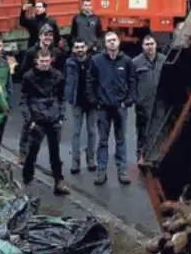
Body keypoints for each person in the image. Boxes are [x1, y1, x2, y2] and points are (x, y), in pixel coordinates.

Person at [87, 31, 137, 185]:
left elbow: (132, 82)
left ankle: (122, 171)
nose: (112, 43)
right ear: (105, 44)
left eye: (114, 40)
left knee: (121, 140)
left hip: (121, 107)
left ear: (119, 42)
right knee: (103, 141)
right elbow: (90, 82)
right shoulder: (96, 61)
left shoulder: (127, 61)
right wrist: (95, 101)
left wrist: (128, 101)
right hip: (103, 108)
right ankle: (101, 172)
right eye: (109, 40)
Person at [19, 50, 70, 195]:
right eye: (42, 61)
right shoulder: (28, 77)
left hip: (53, 118)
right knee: (32, 152)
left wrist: (61, 116)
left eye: (47, 61)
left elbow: (61, 99)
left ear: (51, 60)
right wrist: (30, 120)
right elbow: (24, 100)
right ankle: (27, 179)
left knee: (55, 153)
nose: (45, 64)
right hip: (37, 119)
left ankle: (58, 181)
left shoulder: (58, 76)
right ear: (36, 61)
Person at [64, 39, 97, 174]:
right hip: (77, 101)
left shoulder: (94, 62)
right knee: (76, 132)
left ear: (86, 48)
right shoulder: (69, 63)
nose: (80, 50)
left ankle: (91, 159)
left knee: (92, 131)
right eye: (77, 47)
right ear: (73, 49)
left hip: (92, 102)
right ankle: (75, 161)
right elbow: (66, 80)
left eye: (82, 47)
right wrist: (68, 97)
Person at [133, 35, 166, 159]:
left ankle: (157, 155)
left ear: (156, 45)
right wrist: (136, 99)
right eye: (146, 44)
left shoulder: (164, 60)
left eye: (151, 44)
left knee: (159, 129)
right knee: (143, 131)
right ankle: (141, 155)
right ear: (142, 47)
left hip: (160, 102)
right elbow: (131, 83)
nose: (149, 47)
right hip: (143, 103)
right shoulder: (135, 63)